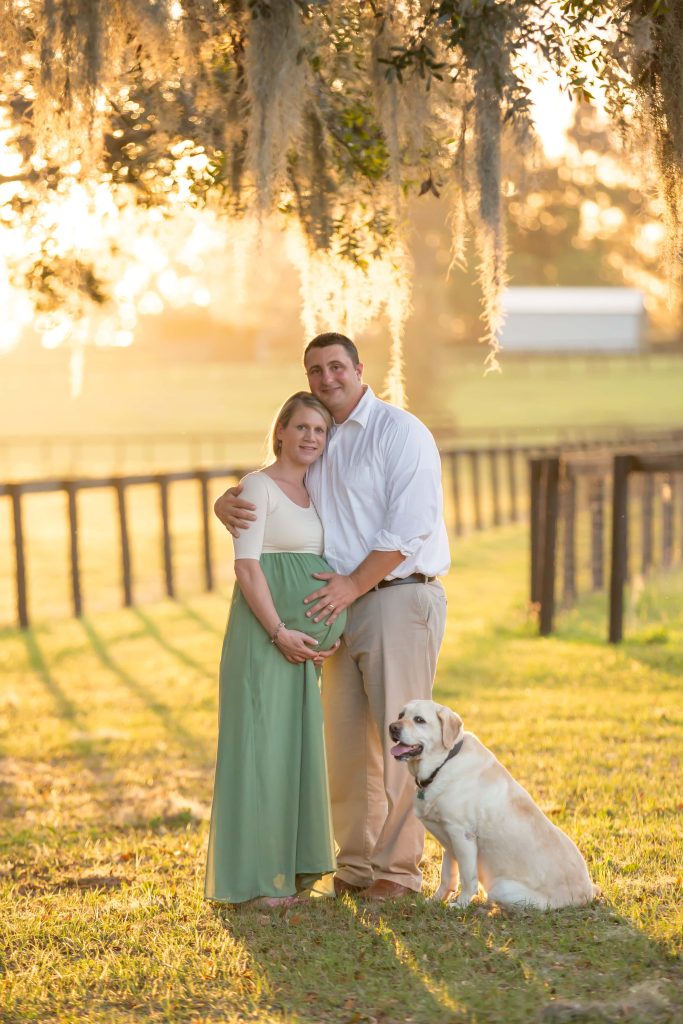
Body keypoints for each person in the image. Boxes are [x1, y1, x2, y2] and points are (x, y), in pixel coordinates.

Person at [214, 333, 450, 901]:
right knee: (346, 748)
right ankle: (359, 865)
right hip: (334, 610)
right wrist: (227, 499)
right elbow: (278, 493)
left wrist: (352, 585)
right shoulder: (320, 438)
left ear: (359, 369)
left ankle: (397, 871)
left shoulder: (400, 433)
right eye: (315, 369)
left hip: (394, 595)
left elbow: (408, 528)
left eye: (337, 366)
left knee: (401, 739)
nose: (327, 377)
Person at [205, 392, 346, 908]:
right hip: (264, 638)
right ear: (281, 431)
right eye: (302, 427)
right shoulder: (258, 488)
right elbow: (248, 568)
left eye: (320, 431)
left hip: (300, 647)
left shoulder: (316, 490)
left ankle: (289, 872)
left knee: (292, 753)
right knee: (259, 753)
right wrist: (279, 631)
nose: (311, 437)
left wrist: (317, 632)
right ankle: (256, 883)